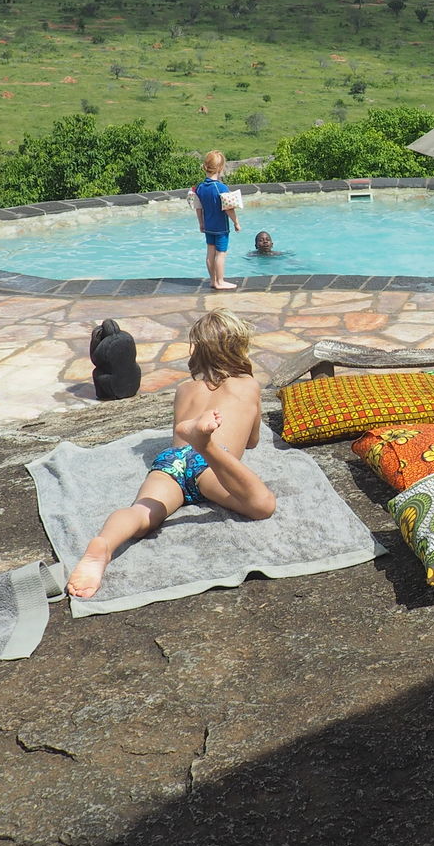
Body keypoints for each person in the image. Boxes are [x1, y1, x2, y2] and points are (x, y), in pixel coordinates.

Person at [66, 309, 277, 598]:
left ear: (198, 351)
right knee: (262, 505)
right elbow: (252, 441)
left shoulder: (184, 389)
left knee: (142, 512)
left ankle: (103, 545)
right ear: (239, 347)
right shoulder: (248, 385)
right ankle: (207, 443)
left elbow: (178, 431)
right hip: (212, 464)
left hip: (173, 461)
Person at [191, 150, 242, 289]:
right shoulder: (221, 187)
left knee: (210, 253)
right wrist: (236, 222)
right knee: (221, 254)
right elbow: (229, 208)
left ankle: (213, 281)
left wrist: (201, 223)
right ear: (220, 168)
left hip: (208, 226)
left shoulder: (200, 187)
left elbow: (198, 207)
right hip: (221, 228)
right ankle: (220, 281)